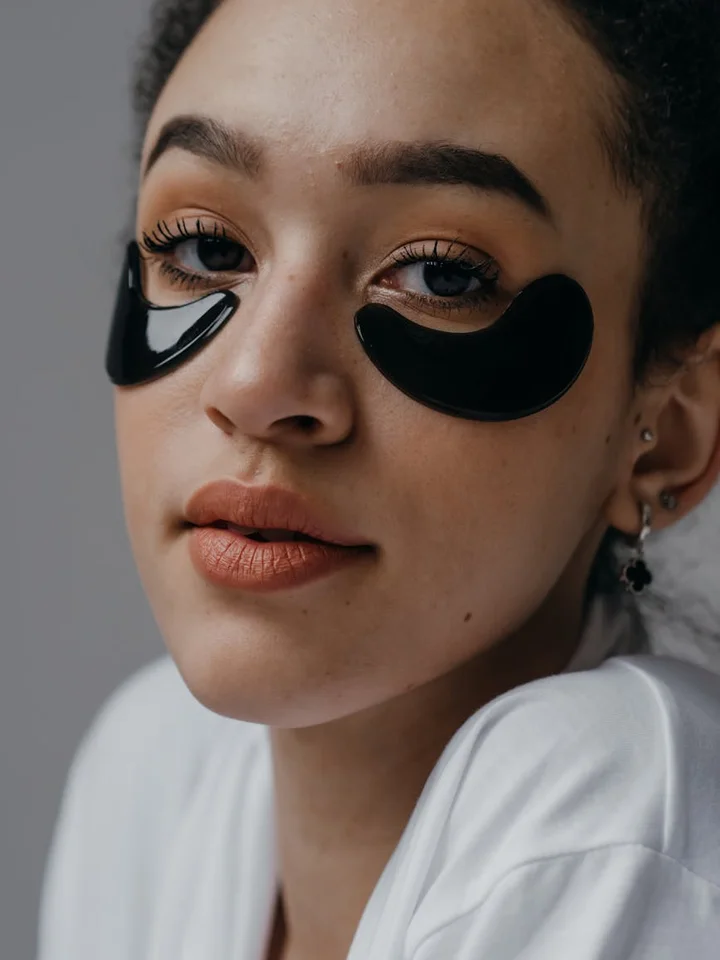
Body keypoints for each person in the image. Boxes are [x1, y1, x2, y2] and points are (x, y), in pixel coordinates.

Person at [36, 1, 720, 958]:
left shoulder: (615, 823)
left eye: (441, 274)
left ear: (667, 436)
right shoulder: (153, 770)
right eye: (205, 248)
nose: (257, 384)